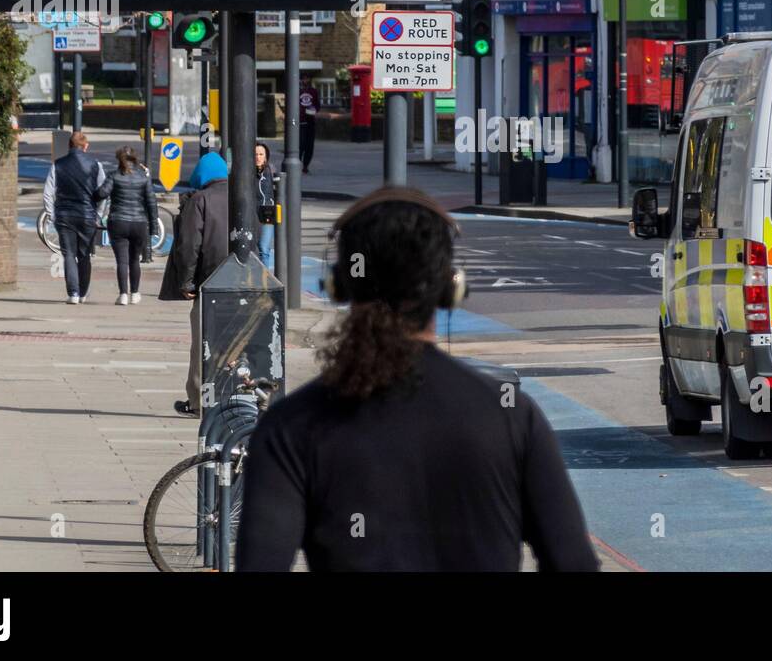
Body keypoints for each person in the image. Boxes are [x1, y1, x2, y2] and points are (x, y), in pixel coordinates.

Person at [235, 187, 599, 572]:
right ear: (449, 287)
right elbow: (572, 561)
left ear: (340, 284)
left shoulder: (292, 426)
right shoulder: (511, 417)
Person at [159, 151, 229, 418]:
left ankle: (199, 401)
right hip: (239, 281)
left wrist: (186, 281)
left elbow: (189, 246)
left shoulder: (200, 200)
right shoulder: (241, 197)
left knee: (203, 343)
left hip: (209, 281)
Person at [44, 131, 111, 305]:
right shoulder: (95, 165)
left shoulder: (57, 165)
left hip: (64, 215)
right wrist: (99, 214)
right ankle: (82, 292)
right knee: (84, 255)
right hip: (87, 215)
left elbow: (48, 192)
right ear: (85, 146)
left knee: (68, 254)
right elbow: (103, 192)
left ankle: (72, 293)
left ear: (69, 146)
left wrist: (52, 215)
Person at [106, 145, 157, 305]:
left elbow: (101, 193)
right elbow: (151, 202)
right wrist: (153, 226)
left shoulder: (114, 176)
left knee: (122, 261)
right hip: (139, 223)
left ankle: (123, 295)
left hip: (118, 222)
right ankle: (135, 293)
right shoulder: (143, 177)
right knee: (135, 259)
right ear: (135, 159)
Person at [255, 142, 276, 270]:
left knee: (264, 248)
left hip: (267, 213)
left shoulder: (271, 172)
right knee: (253, 249)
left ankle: (264, 280)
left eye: (261, 154)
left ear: (266, 157)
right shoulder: (247, 173)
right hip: (252, 213)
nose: (258, 157)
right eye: (255, 154)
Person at [298, 78, 319, 173]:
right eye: (304, 78)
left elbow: (317, 105)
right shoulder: (297, 91)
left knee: (309, 146)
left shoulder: (313, 91)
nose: (305, 80)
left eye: (307, 78)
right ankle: (297, 165)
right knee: (300, 145)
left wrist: (314, 110)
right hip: (300, 122)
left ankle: (305, 166)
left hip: (311, 122)